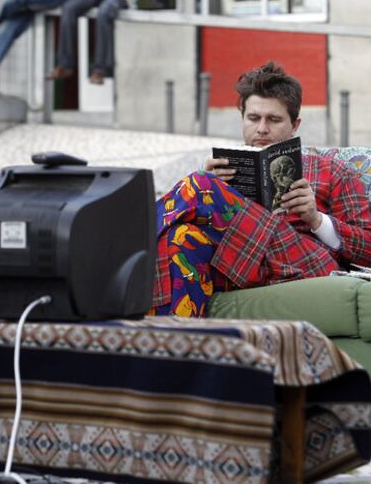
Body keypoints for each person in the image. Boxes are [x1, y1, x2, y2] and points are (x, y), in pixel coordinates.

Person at [151, 61, 371, 318]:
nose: (262, 128)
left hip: (304, 264)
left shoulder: (332, 170)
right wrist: (216, 189)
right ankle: (173, 347)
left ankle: (131, 239)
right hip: (237, 264)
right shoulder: (223, 168)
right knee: (180, 237)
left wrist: (316, 219)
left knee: (200, 185)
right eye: (253, 118)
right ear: (242, 118)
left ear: (295, 125)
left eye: (274, 119)